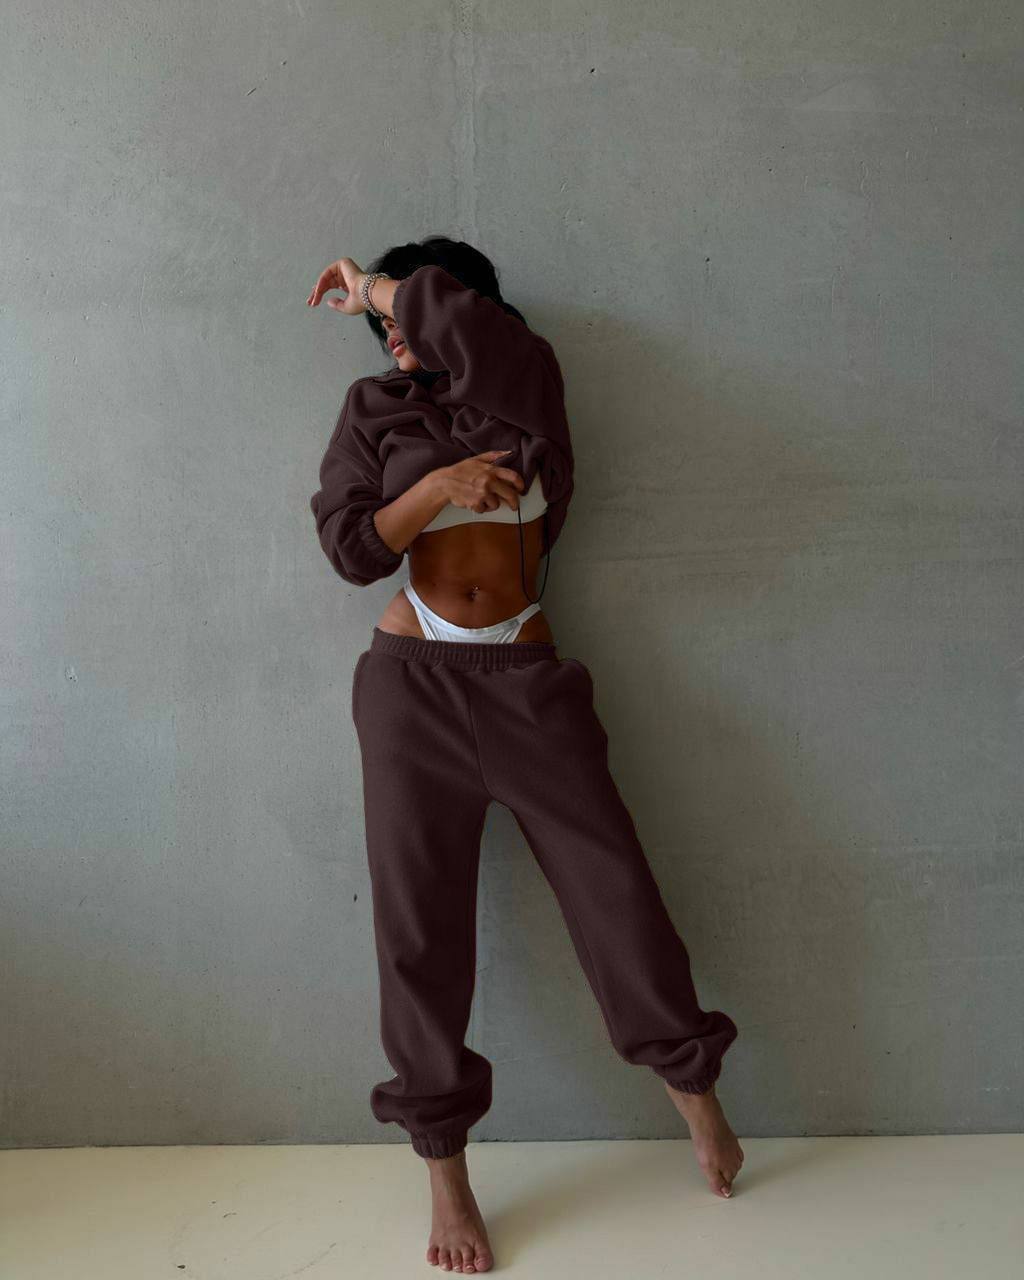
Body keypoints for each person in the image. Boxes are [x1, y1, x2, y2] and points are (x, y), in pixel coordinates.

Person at [307, 237, 743, 1274]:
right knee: (419, 931)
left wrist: (372, 284)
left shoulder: (523, 382)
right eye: (382, 326)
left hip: (527, 686)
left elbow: (474, 333)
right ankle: (445, 1173)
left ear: (462, 308)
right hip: (411, 687)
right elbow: (352, 549)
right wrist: (436, 489)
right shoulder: (373, 412)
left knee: (615, 893)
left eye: (408, 313)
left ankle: (697, 1099)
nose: (393, 334)